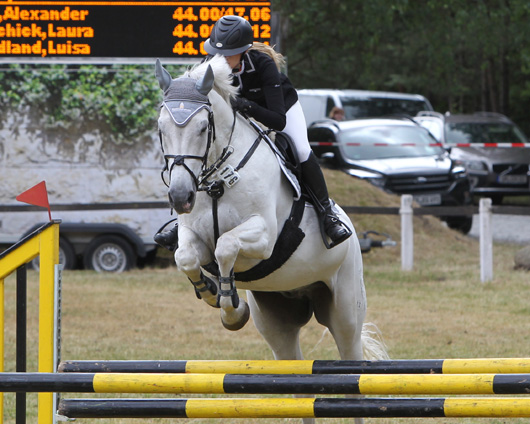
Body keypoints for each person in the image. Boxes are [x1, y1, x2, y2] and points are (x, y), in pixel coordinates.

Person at [154, 15, 351, 250]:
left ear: (244, 52)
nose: (222, 60)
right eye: (218, 54)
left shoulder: (263, 65)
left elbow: (277, 121)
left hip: (278, 110)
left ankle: (327, 214)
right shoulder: (210, 64)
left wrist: (247, 106)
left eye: (228, 54)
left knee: (300, 149)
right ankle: (183, 223)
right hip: (240, 117)